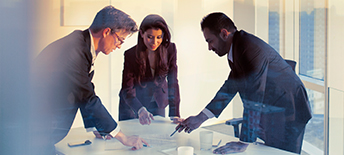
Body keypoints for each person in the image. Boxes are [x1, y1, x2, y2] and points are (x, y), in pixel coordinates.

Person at [176, 12, 312, 154]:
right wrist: (200, 118)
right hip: (273, 107)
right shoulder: (236, 49)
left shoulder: (249, 49)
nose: (209, 47)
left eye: (210, 41)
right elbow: (229, 88)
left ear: (224, 33)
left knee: (281, 153)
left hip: (290, 109)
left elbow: (254, 96)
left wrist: (244, 141)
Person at [32, 6, 148, 154]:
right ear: (106, 32)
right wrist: (123, 137)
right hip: (35, 130)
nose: (119, 46)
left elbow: (82, 90)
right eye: (120, 40)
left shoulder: (81, 44)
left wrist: (97, 127)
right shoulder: (74, 50)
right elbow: (87, 96)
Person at [119, 14, 182, 125]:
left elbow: (173, 82)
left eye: (159, 37)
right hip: (133, 104)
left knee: (157, 137)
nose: (154, 42)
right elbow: (127, 89)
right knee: (132, 137)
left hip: (158, 102)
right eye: (150, 37)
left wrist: (174, 113)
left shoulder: (170, 49)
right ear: (142, 33)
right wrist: (140, 109)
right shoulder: (131, 55)